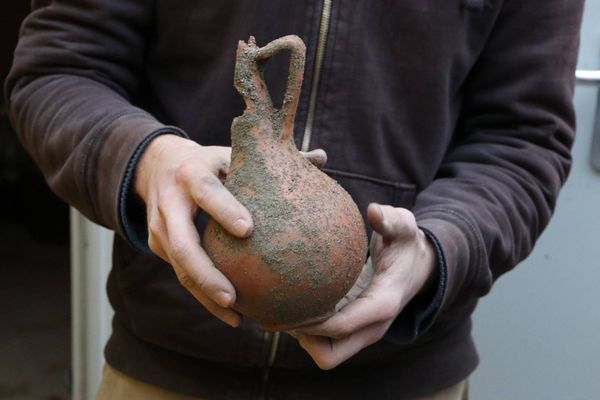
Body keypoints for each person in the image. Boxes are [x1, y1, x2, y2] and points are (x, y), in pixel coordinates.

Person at [5, 1, 584, 399]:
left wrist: (440, 248)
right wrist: (148, 159)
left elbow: (523, 138)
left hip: (403, 379)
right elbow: (57, 71)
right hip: (164, 365)